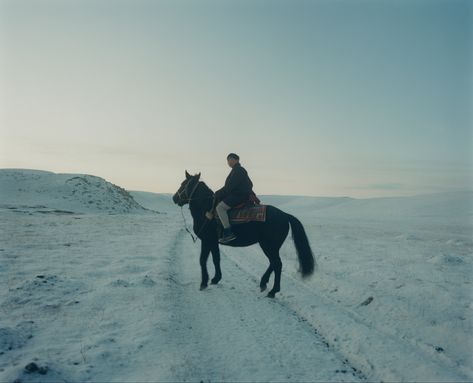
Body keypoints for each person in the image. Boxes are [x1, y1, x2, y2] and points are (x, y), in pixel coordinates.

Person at [212, 153, 254, 244]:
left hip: (239, 196)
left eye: (230, 159)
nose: (228, 162)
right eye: (227, 160)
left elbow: (229, 187)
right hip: (239, 195)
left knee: (220, 208)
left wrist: (217, 193)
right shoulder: (237, 170)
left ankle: (228, 232)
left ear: (236, 160)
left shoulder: (238, 170)